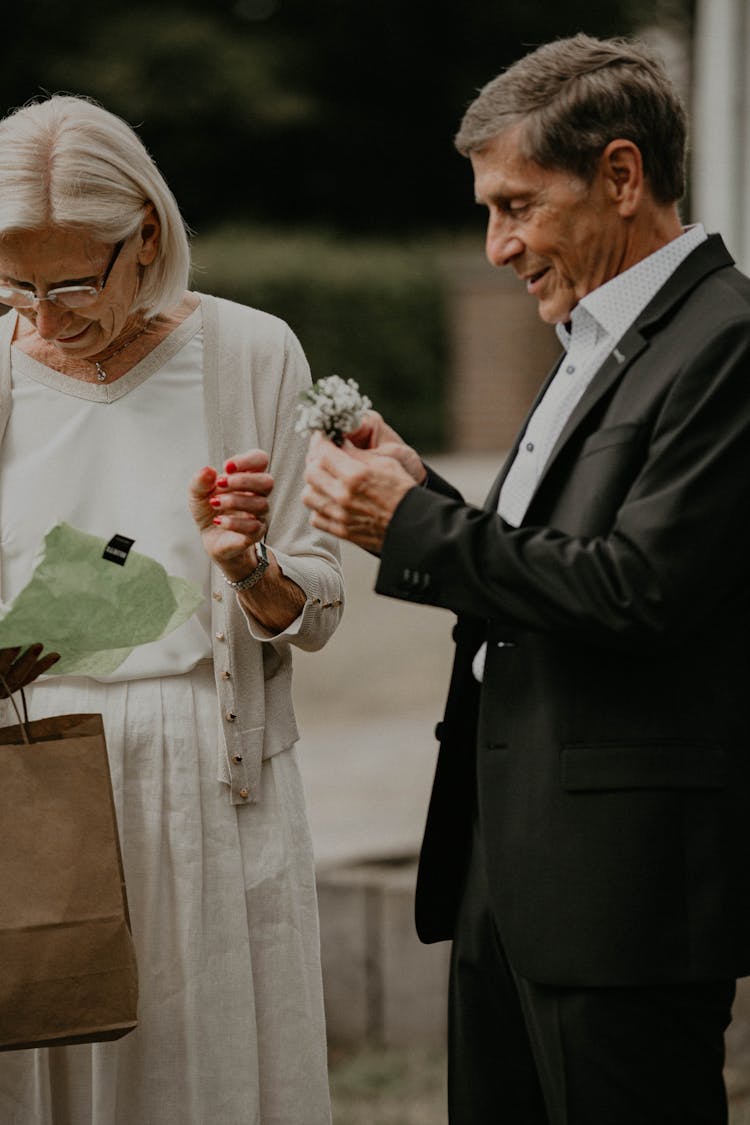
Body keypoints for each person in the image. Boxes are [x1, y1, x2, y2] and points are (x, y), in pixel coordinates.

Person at [302, 32, 750, 1125]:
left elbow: (640, 590)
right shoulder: (599, 338)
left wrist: (415, 530)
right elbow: (554, 570)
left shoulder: (727, 340)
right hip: (508, 868)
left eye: (517, 205)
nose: (498, 246)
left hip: (624, 896)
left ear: (622, 176)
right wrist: (431, 503)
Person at [0, 94, 343, 1125]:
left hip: (207, 779)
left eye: (70, 282)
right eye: (14, 285)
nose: (43, 318)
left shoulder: (250, 355)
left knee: (200, 1085)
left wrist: (248, 568)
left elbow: (317, 606)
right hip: (23, 776)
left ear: (144, 236)